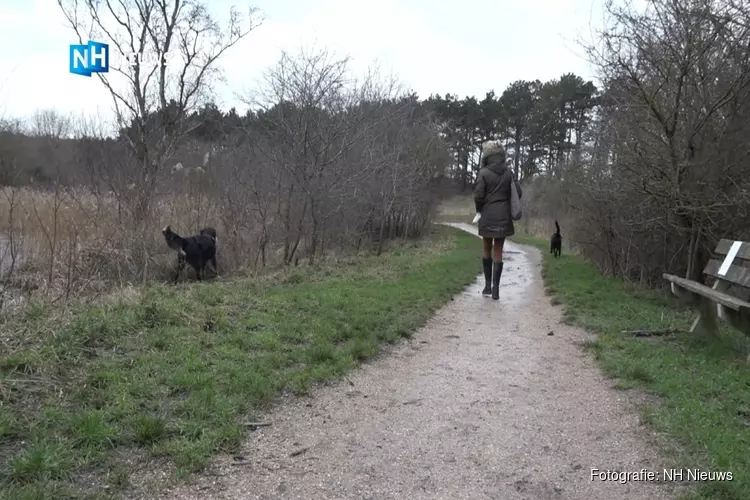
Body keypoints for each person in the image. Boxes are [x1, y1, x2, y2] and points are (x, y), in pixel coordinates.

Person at [473, 140, 522, 300]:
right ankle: (496, 289)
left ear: (487, 155)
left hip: (487, 214)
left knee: (487, 248)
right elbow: (518, 193)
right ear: (501, 155)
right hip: (503, 215)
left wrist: (479, 209)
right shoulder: (508, 172)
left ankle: (487, 286)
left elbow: (478, 195)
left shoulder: (484, 172)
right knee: (499, 250)